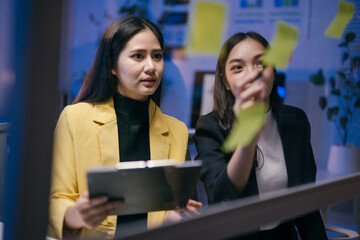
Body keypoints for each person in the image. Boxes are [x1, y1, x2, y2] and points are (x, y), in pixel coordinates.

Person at [48, 15, 202, 240]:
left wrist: (174, 217)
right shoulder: (74, 118)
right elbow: (55, 199)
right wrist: (75, 215)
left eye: (157, 56)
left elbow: (166, 211)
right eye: (138, 56)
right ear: (112, 65)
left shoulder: (177, 131)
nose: (151, 66)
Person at [194, 32, 327, 239]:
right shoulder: (210, 127)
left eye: (261, 63)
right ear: (226, 82)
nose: (252, 74)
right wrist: (248, 134)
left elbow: (306, 205)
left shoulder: (295, 121)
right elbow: (221, 197)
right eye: (238, 67)